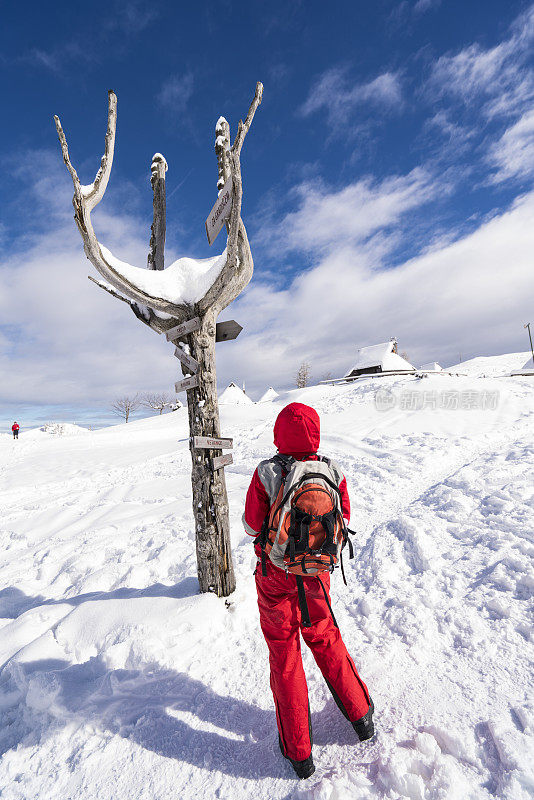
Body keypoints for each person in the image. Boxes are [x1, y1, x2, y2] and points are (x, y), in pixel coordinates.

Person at [243, 402, 374, 779]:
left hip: (275, 577)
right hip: (316, 575)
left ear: (278, 434)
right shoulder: (332, 471)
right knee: (326, 638)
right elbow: (343, 519)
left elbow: (253, 527)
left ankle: (299, 753)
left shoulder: (267, 472)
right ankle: (362, 717)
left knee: (285, 657)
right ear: (316, 432)